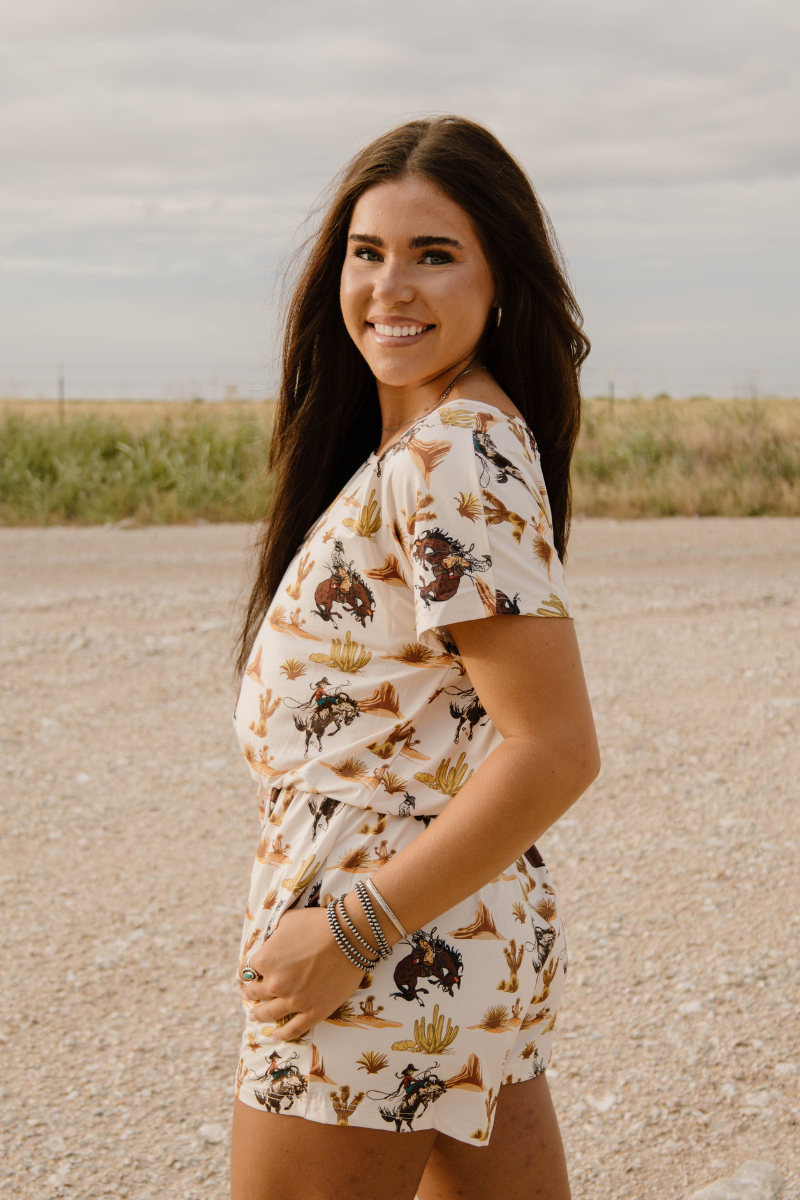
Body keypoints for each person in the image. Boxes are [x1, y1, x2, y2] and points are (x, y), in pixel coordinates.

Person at [230, 115, 599, 1200]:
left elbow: (554, 748)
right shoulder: (443, 441)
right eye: (367, 252)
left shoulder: (452, 453)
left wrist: (350, 931)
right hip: (446, 934)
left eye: (434, 255)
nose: (389, 287)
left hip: (382, 953)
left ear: (502, 284)